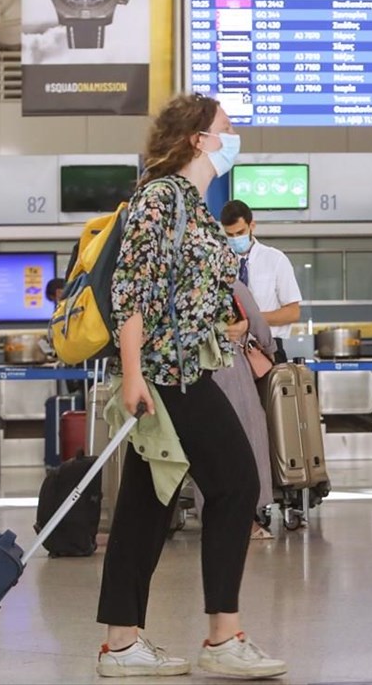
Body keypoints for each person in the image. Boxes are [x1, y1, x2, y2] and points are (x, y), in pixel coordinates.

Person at [95, 93, 286, 679]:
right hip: (169, 373)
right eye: (226, 127)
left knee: (148, 503)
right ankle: (223, 636)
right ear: (198, 139)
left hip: (182, 366)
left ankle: (121, 645)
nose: (234, 137)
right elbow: (131, 291)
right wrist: (133, 375)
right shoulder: (160, 197)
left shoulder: (191, 203)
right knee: (237, 482)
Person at [200, 279, 278, 540]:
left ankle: (208, 515)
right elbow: (257, 321)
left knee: (204, 449)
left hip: (186, 369)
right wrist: (270, 349)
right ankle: (247, 521)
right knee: (249, 438)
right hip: (227, 367)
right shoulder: (227, 280)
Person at [219, 199, 303, 364]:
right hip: (231, 351)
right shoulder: (218, 263)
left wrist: (251, 322)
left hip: (268, 348)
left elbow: (293, 312)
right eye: (230, 235)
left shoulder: (275, 259)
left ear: (252, 225)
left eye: (240, 232)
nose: (235, 238)